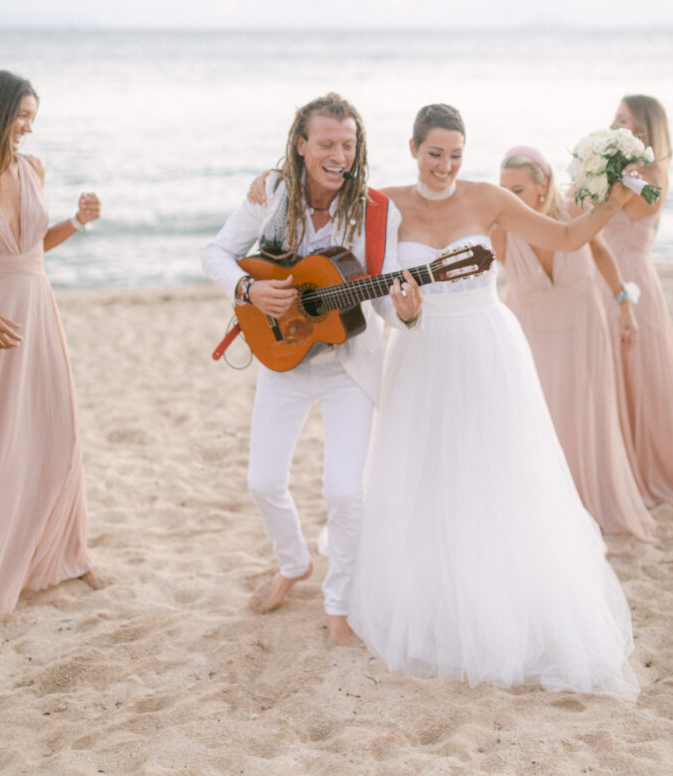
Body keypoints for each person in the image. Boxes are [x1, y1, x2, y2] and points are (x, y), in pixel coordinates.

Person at [348, 103, 639, 698]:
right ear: (412, 148)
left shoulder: (488, 199)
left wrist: (614, 197)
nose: (445, 166)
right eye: (434, 153)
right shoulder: (383, 204)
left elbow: (564, 235)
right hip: (420, 350)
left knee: (495, 474)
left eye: (455, 154)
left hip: (487, 346)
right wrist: (270, 186)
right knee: (424, 472)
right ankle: (429, 593)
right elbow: (347, 253)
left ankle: (496, 598)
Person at [201, 92, 421, 646]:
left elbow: (386, 296)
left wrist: (408, 311)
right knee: (262, 482)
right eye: (326, 143)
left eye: (347, 145)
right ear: (300, 146)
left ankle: (339, 606)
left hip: (350, 363)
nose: (338, 155)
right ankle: (293, 562)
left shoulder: (377, 211)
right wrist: (249, 289)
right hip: (284, 359)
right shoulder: (272, 192)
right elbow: (216, 254)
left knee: (345, 492)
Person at [492, 146, 654, 541]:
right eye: (502, 190)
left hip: (584, 326)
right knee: (540, 415)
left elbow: (602, 254)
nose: (508, 200)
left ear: (542, 184)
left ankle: (586, 502)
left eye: (518, 190)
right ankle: (544, 504)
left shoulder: (574, 214)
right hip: (530, 330)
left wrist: (624, 306)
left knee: (584, 412)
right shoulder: (498, 230)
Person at [0, 70, 102, 619]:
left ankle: (63, 552)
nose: (29, 129)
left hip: (38, 309)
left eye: (34, 118)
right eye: (21, 116)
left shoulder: (32, 168)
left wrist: (76, 224)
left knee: (56, 428)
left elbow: (33, 246)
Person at [600, 95, 673, 505]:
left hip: (634, 281)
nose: (613, 124)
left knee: (638, 377)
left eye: (622, 119)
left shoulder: (652, 175)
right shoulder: (615, 170)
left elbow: (642, 200)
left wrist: (614, 174)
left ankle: (640, 469)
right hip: (603, 276)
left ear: (643, 129)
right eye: (614, 116)